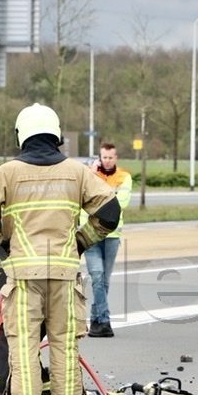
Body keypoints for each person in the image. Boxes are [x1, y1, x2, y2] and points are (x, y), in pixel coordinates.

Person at [0, 102, 120, 395]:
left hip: (23, 276)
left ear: (22, 135)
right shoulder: (78, 172)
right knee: (65, 346)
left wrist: (2, 249)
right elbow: (109, 213)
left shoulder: (7, 173)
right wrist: (79, 243)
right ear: (56, 135)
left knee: (23, 348)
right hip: (65, 276)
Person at [84, 142, 132, 338]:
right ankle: (104, 321)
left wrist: (98, 192)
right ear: (99, 157)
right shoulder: (88, 175)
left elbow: (120, 203)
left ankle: (95, 320)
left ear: (116, 158)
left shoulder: (124, 177)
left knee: (104, 280)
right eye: (104, 157)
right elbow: (84, 201)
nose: (107, 160)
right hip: (90, 234)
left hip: (112, 235)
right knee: (97, 276)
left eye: (111, 157)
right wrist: (93, 177)